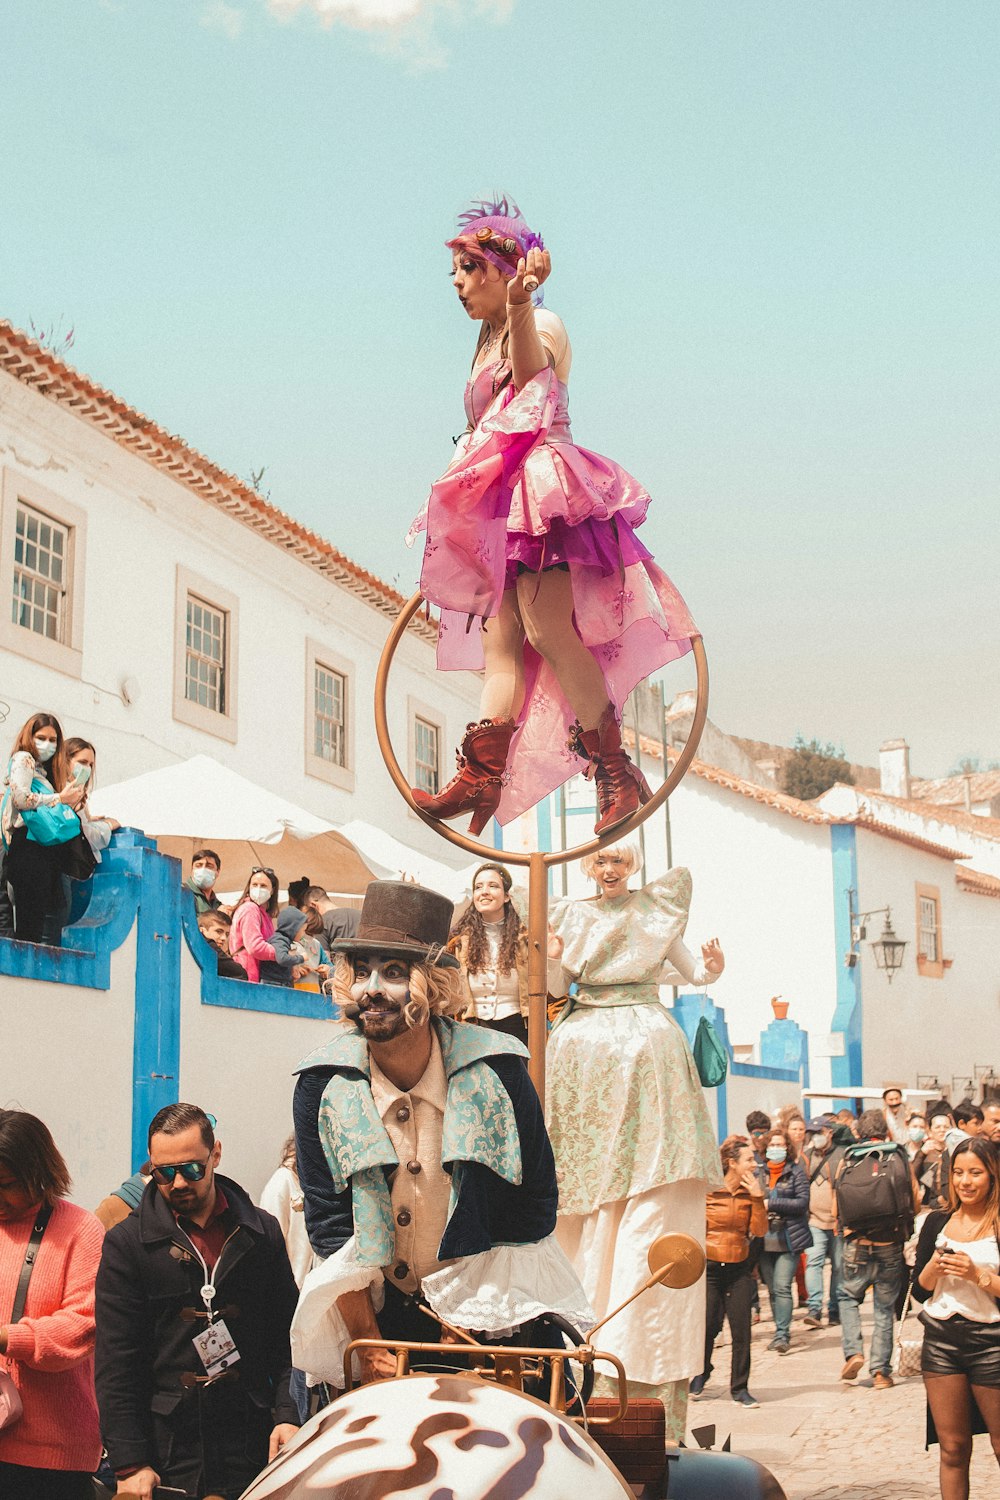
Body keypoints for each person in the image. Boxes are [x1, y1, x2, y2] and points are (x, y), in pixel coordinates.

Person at [405, 196, 698, 838]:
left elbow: (534, 383)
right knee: (500, 643)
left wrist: (518, 305)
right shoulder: (485, 343)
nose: (456, 283)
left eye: (466, 268)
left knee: (546, 630)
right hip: (499, 505)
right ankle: (481, 775)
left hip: (543, 493)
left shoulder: (543, 321)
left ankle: (617, 771)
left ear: (501, 269)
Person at [290, 880, 593, 1394]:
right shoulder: (321, 1083)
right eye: (361, 972)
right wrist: (370, 1342)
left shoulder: (499, 1070)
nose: (372, 990)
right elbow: (329, 1224)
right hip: (377, 1323)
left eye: (393, 972)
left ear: (432, 985)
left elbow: (534, 1204)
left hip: (489, 1319)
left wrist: (476, 1318)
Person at [545, 850, 724, 1439]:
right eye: (601, 861)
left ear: (633, 863)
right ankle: (582, 1366)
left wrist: (710, 970)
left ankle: (643, 1390)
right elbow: (552, 982)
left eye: (619, 859)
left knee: (648, 1207)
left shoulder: (654, 911)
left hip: (645, 1050)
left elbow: (689, 971)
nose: (610, 869)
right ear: (589, 867)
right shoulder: (569, 915)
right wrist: (548, 961)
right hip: (584, 1050)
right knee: (581, 1214)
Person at [95, 1103, 299, 1499]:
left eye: (191, 1168)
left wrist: (287, 1416)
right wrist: (131, 1463)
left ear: (215, 1154)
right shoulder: (126, 1244)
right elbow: (115, 1364)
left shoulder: (260, 1233)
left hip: (251, 1440)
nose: (178, 1183)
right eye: (164, 1172)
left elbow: (288, 1338)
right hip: (168, 1448)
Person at [0, 1109, 105, 1499]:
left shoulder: (81, 1229)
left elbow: (81, 1328)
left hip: (53, 1454)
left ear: (40, 1173)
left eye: (7, 1184)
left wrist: (8, 1338)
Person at [912, 1136, 1000, 1500]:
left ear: (992, 1175)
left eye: (975, 1173)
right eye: (959, 1173)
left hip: (993, 1344)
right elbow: (918, 1290)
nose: (966, 1181)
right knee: (952, 1449)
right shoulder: (936, 1222)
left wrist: (976, 1274)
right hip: (942, 1342)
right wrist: (933, 1267)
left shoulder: (997, 1224)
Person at [834, 1107, 919, 1388]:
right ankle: (881, 1372)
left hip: (855, 1243)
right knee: (884, 1308)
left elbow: (838, 1206)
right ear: (886, 1131)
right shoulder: (898, 1157)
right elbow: (914, 1201)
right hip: (889, 1244)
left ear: (860, 1132)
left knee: (847, 1298)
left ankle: (854, 1351)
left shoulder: (848, 1159)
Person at [692, 1136, 768, 1408]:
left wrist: (758, 1200)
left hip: (739, 1267)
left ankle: (740, 1388)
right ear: (731, 1163)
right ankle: (701, 1372)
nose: (755, 1164)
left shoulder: (752, 1193)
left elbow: (759, 1231)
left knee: (741, 1331)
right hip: (710, 1267)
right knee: (709, 1326)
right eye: (749, 1160)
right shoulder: (710, 1190)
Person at [449, 861, 561, 1044]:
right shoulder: (458, 943)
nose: (484, 891)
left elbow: (552, 993)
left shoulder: (527, 939)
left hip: (520, 1032)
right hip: (474, 1033)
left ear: (507, 896)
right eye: (478, 887)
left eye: (493, 886)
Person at [1, 711, 86, 942]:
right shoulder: (24, 758)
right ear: (30, 735)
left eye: (53, 739)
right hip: (28, 847)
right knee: (30, 926)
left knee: (42, 922)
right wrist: (59, 798)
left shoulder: (44, 771)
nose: (47, 744)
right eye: (41, 737)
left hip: (43, 849)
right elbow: (20, 799)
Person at [259, 1138, 316, 1425]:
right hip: (293, 1312)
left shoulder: (317, 1186)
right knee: (297, 1404)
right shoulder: (283, 1183)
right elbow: (271, 1246)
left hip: (319, 1313)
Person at [758, 1127, 812, 1355]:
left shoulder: (796, 1172)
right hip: (763, 1238)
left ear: (787, 1148)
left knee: (782, 1286)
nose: (776, 1148)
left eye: (780, 1145)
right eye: (772, 1145)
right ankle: (778, 1330)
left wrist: (771, 1204)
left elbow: (802, 1203)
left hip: (788, 1237)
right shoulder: (757, 1173)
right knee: (771, 1288)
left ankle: (783, 1334)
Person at [801, 1115, 850, 1329]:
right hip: (814, 1221)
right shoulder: (806, 1156)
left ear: (829, 1132)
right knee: (814, 1263)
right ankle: (814, 1307)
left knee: (839, 1267)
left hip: (838, 1222)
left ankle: (834, 1309)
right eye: (813, 1133)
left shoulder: (842, 1155)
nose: (816, 1137)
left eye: (819, 1133)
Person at [229, 866, 279, 982]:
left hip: (255, 976)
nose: (258, 889)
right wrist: (282, 954)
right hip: (247, 976)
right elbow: (255, 947)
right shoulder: (250, 909)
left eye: (263, 886)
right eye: (255, 885)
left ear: (272, 890)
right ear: (249, 887)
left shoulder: (265, 915)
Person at [259, 907, 312, 988]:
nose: (303, 934)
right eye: (303, 930)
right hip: (273, 984)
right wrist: (301, 958)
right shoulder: (279, 940)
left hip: (280, 982)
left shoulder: (284, 940)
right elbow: (282, 959)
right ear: (294, 928)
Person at [301, 885, 360, 950]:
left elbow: (324, 958)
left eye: (310, 911)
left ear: (313, 905)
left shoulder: (321, 924)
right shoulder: (359, 914)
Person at [197, 910, 247, 981]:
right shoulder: (209, 946)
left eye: (227, 934)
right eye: (218, 931)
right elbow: (240, 972)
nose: (224, 938)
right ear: (202, 930)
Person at [184, 848, 222, 915]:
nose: (203, 869)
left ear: (218, 872)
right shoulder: (182, 893)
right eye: (198, 866)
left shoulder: (217, 904)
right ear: (192, 869)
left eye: (209, 866)